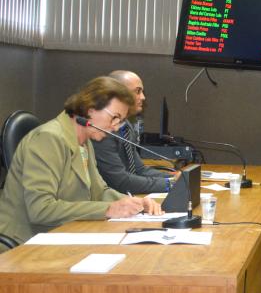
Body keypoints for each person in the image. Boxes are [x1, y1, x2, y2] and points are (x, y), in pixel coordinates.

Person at [0, 77, 163, 248]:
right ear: (90, 109)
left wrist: (135, 203)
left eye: (120, 121)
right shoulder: (48, 138)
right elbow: (41, 209)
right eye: (115, 117)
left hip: (62, 234)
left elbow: (100, 191)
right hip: (23, 243)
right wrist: (108, 209)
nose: (116, 127)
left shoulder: (84, 142)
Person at [93, 70, 178, 193]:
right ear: (118, 94)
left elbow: (139, 170)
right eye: (138, 91)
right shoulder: (102, 130)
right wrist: (169, 184)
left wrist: (175, 178)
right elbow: (120, 182)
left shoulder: (126, 125)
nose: (143, 97)